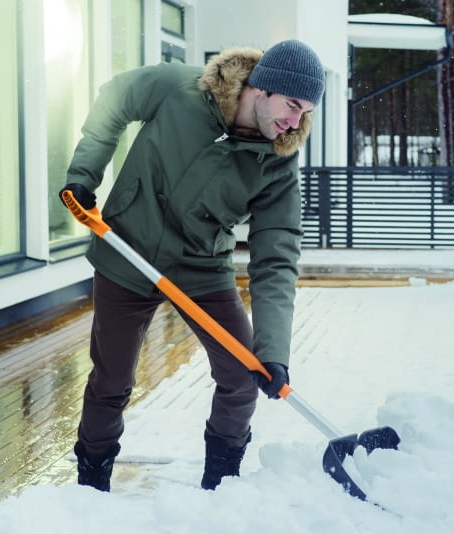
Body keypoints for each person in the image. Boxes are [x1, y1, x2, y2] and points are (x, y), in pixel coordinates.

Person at [60, 39, 325, 492]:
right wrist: (84, 175)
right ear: (261, 89)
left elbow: (276, 255)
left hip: (202, 267)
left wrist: (273, 351)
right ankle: (92, 478)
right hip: (127, 253)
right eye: (291, 105)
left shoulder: (278, 161)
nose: (293, 121)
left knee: (243, 377)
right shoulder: (178, 88)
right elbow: (113, 101)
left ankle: (220, 485)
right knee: (112, 380)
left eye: (304, 113)